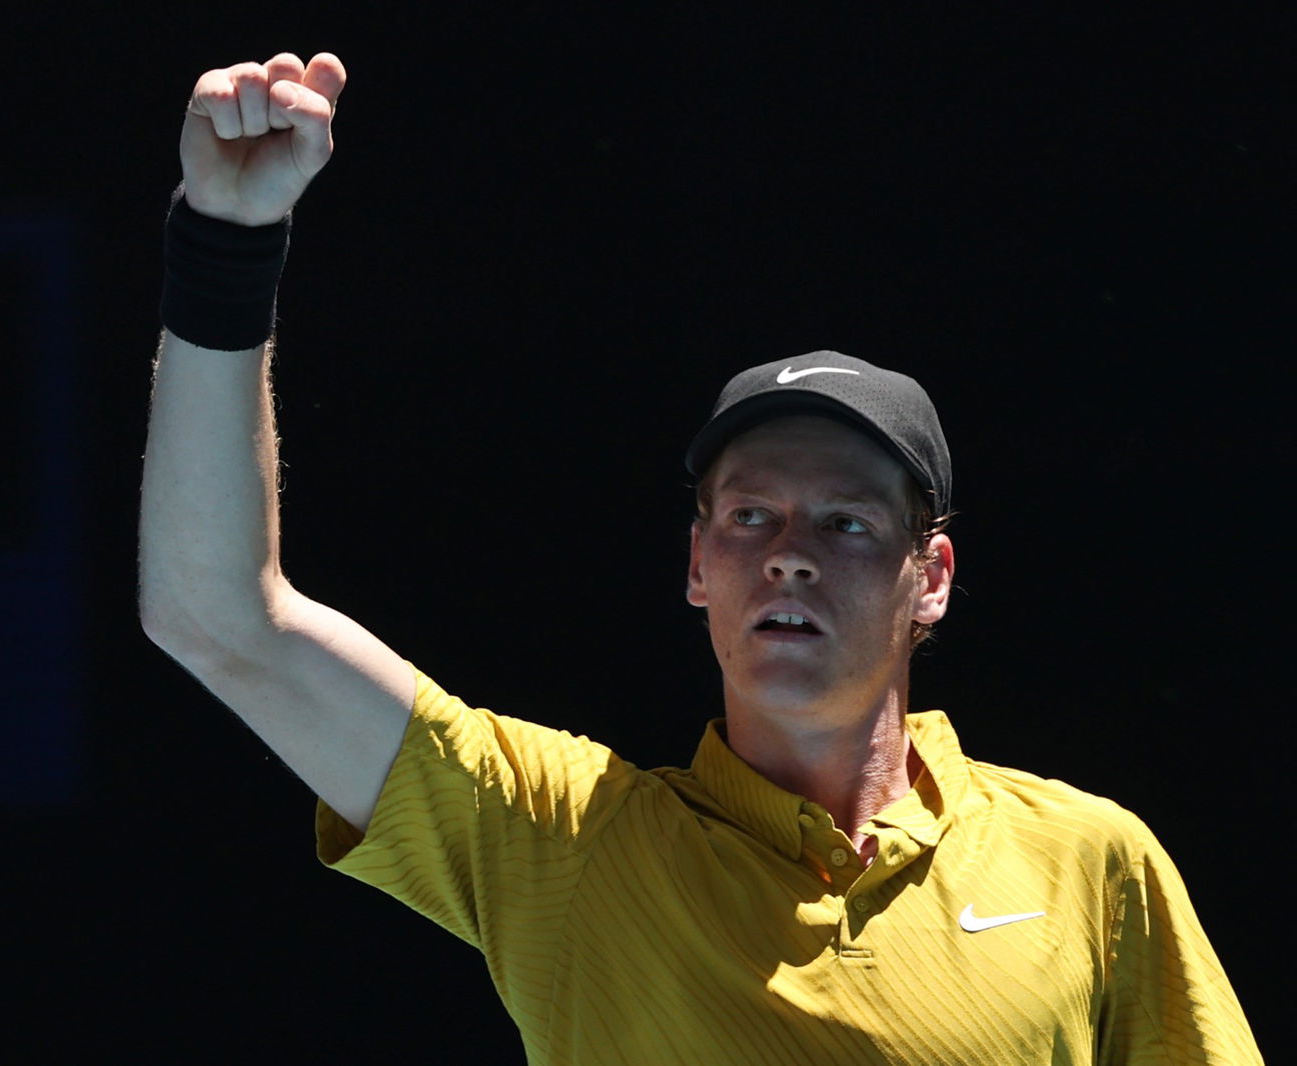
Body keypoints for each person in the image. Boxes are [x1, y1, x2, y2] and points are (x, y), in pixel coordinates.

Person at [137, 52, 1262, 1065]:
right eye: (750, 518)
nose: (787, 556)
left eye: (846, 523)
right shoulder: (568, 845)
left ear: (933, 579)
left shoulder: (1088, 861)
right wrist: (226, 246)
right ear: (695, 567)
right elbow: (217, 615)